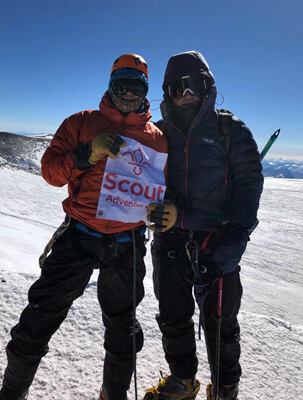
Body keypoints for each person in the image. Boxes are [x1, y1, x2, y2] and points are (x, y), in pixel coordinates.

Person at [0, 53, 172, 400]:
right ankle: (12, 392)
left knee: (122, 327)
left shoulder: (156, 138)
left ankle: (113, 393)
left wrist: (163, 211)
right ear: (110, 84)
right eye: (121, 84)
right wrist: (87, 153)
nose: (128, 93)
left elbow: (160, 192)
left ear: (145, 90)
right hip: (79, 233)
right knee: (39, 317)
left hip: (128, 242)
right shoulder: (81, 122)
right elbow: (50, 172)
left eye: (135, 86)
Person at [145, 51, 264, 400]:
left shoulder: (231, 130)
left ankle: (226, 387)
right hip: (170, 240)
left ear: (208, 86)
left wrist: (236, 238)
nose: (185, 95)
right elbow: (147, 180)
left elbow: (249, 185)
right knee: (172, 315)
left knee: (221, 323)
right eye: (175, 87)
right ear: (166, 92)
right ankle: (183, 380)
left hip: (217, 240)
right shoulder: (159, 132)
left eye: (192, 85)